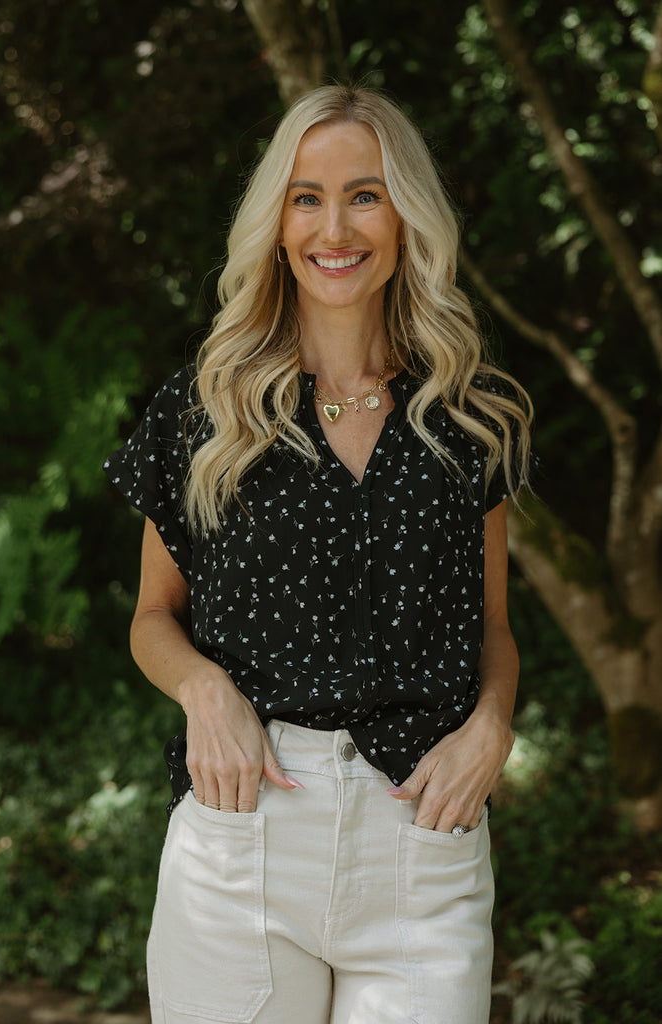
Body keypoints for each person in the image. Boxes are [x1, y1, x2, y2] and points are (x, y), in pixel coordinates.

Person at [104, 84, 532, 1024]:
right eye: (306, 196)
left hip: (423, 841)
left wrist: (493, 726)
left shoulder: (472, 413)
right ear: (276, 219)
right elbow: (150, 618)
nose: (333, 227)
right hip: (244, 834)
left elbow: (492, 627)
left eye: (364, 194)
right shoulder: (207, 407)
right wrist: (203, 690)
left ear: (406, 213)